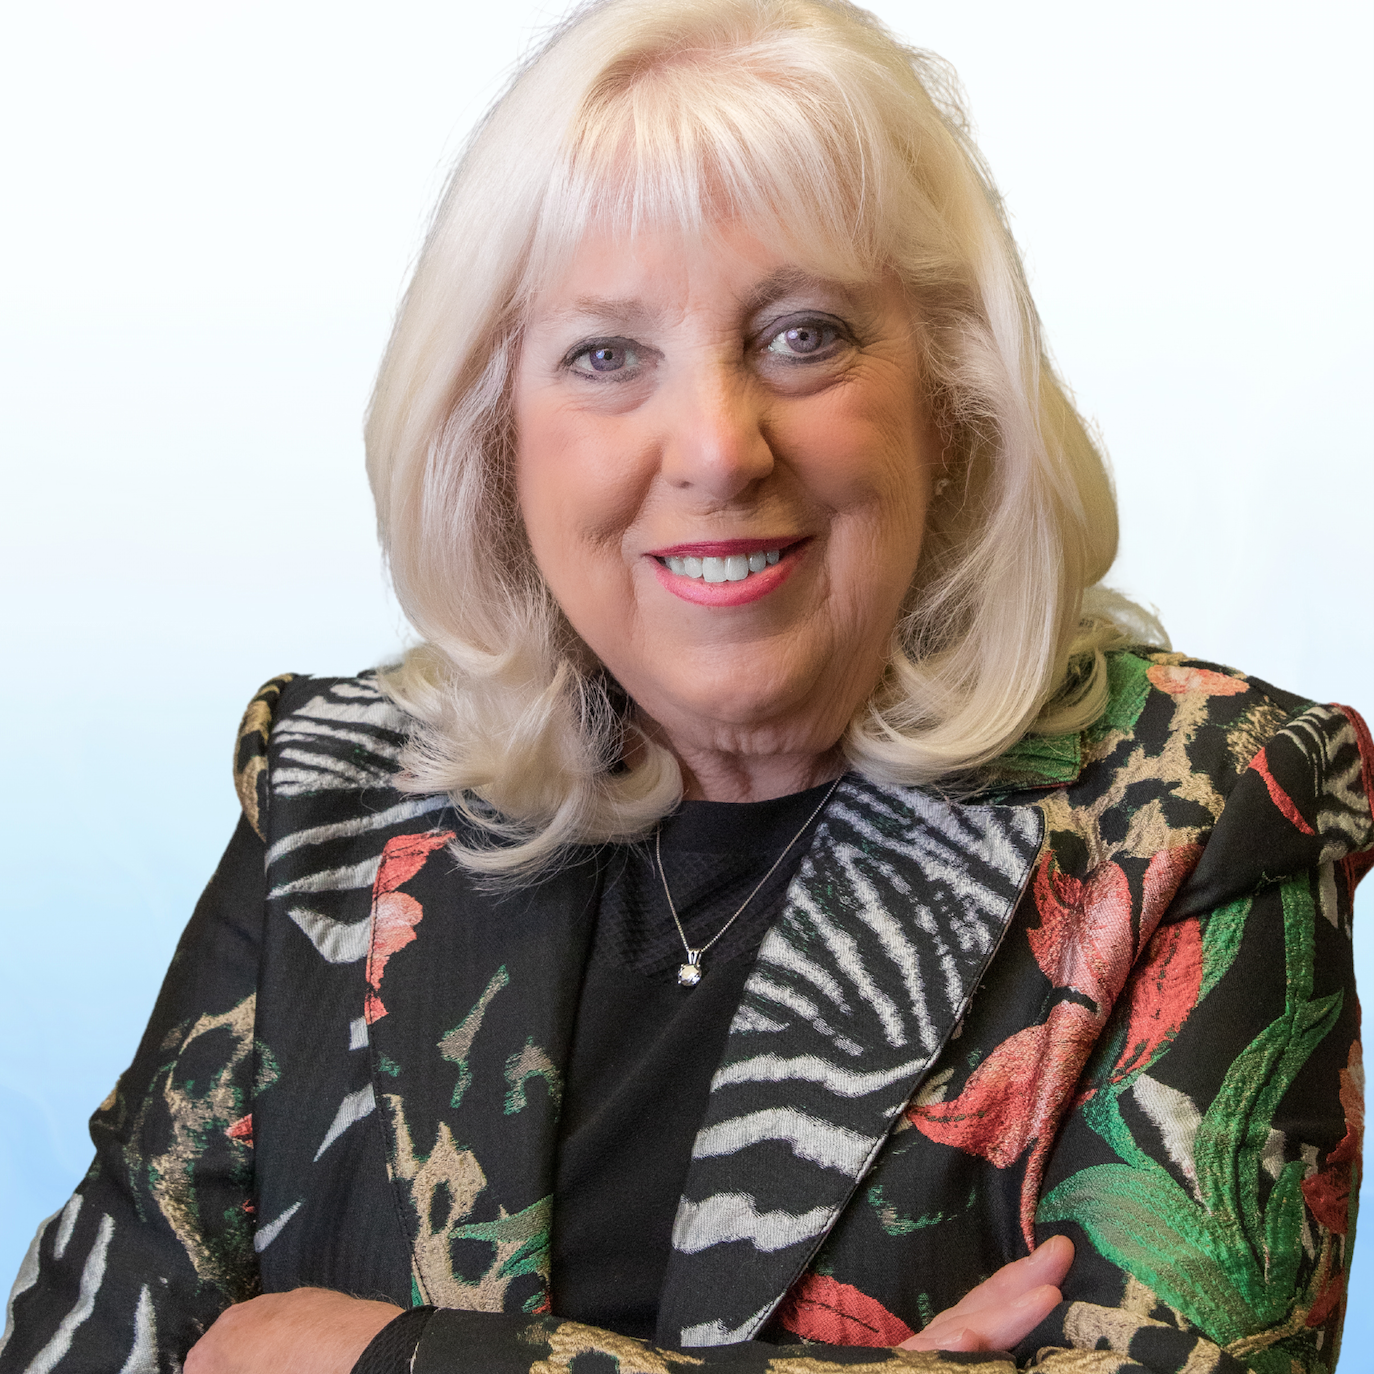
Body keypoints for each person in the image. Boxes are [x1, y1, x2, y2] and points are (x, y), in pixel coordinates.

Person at [2, 0, 1367, 1370]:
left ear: (950, 399)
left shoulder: (1200, 803)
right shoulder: (339, 790)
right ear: (498, 439)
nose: (716, 446)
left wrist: (371, 1356)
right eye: (605, 356)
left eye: (805, 335)